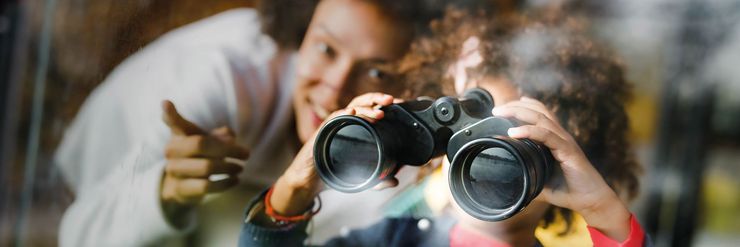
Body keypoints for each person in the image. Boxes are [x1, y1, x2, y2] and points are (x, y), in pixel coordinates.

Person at [238, 8, 649, 247]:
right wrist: (296, 186)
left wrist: (600, 208)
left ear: (559, 164)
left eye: (503, 138)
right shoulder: (391, 239)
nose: (478, 156)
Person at [54, 0, 440, 245]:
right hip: (97, 178)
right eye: (325, 49)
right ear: (301, 34)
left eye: (376, 73)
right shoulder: (220, 78)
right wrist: (167, 189)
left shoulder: (395, 132)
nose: (336, 88)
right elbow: (79, 234)